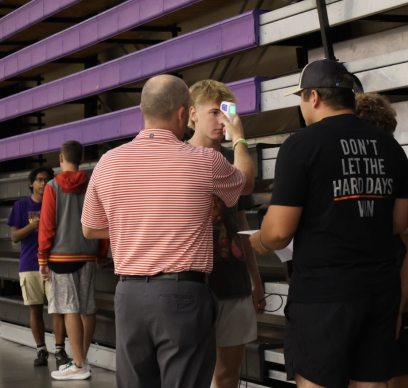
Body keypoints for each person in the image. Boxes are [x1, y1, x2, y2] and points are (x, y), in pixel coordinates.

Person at [81, 74, 255, 388]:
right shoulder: (204, 160)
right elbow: (246, 181)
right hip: (182, 293)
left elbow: (90, 228)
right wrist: (239, 137)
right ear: (181, 114)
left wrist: (135, 224)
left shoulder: (108, 162)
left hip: (129, 293)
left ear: (142, 110)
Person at [249, 60, 408, 388]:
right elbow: (398, 223)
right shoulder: (391, 147)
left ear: (313, 98)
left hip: (325, 294)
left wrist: (260, 241)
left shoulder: (301, 144)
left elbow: (280, 232)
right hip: (379, 289)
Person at [187, 79, 265, 388]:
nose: (223, 122)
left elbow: (242, 225)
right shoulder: (180, 158)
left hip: (232, 281)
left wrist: (255, 280)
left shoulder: (235, 165)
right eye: (214, 113)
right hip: (192, 284)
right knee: (191, 373)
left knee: (227, 374)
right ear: (192, 115)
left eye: (227, 113)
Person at [355, 93, 408, 388]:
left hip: (402, 303)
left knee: (400, 382)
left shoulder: (405, 180)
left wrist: (394, 309)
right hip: (362, 301)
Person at [38, 141, 109, 380]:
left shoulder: (51, 186)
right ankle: (82, 359)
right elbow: (102, 220)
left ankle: (78, 364)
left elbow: (47, 225)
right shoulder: (92, 185)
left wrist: (42, 257)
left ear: (60, 158)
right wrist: (101, 252)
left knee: (69, 308)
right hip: (87, 255)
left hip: (60, 256)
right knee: (87, 308)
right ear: (82, 158)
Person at [7, 167, 68, 368]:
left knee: (57, 310)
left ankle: (60, 350)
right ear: (31, 183)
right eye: (39, 180)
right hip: (29, 264)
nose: (43, 183)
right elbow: (14, 237)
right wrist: (32, 227)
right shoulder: (21, 205)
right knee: (35, 310)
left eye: (47, 180)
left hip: (53, 265)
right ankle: (41, 350)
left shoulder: (58, 203)